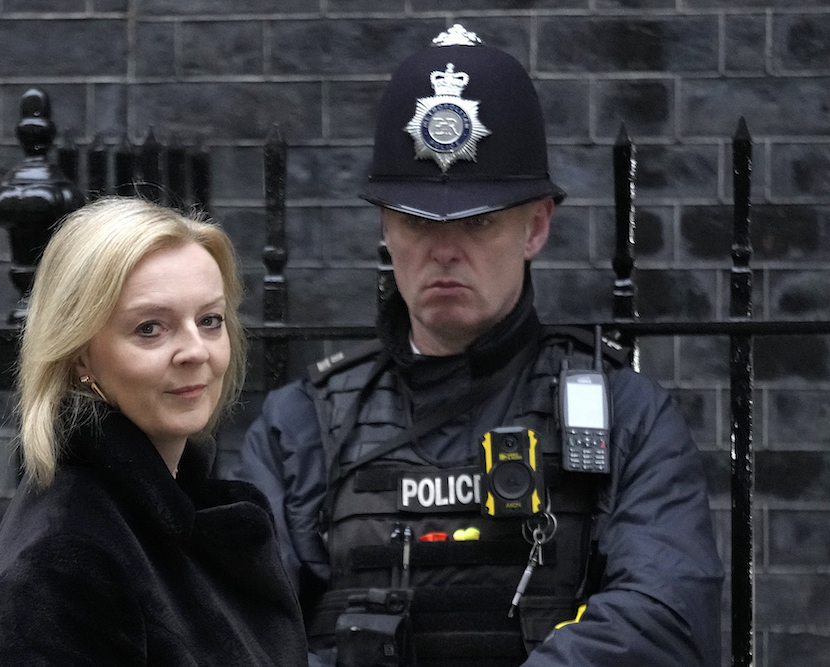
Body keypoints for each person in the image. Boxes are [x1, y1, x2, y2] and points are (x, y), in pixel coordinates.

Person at [233, 24, 723, 667]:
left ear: (536, 226)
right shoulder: (297, 430)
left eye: (479, 222)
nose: (444, 250)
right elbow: (241, 633)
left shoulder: (625, 416)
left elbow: (668, 621)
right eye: (417, 221)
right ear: (385, 227)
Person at [0, 196, 308, 666]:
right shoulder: (65, 560)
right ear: (80, 354)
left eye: (209, 321)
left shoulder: (169, 516)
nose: (195, 351)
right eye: (150, 328)